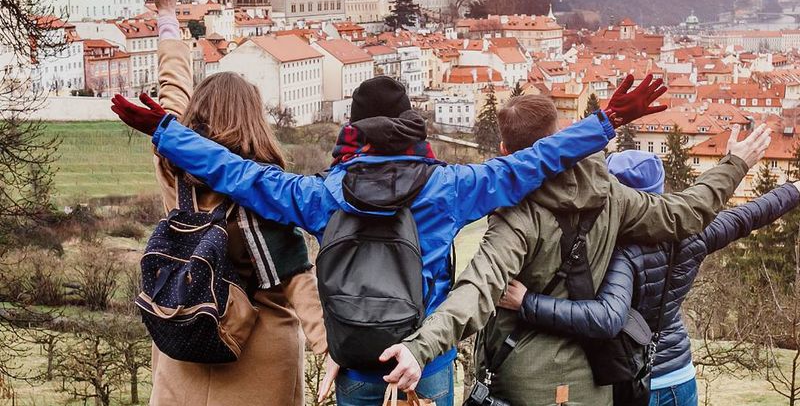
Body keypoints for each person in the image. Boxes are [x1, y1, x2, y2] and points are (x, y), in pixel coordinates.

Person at [110, 63, 667, 406]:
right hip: (426, 356)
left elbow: (238, 172)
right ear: (411, 129)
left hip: (358, 355)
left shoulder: (322, 196)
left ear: (355, 133)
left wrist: (166, 132)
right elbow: (532, 162)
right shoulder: (449, 188)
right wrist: (604, 123)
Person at [382, 95, 771, 406]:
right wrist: (734, 164)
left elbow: (477, 289)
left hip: (522, 384)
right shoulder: (611, 195)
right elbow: (684, 213)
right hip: (593, 385)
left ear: (505, 149)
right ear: (562, 136)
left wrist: (421, 348)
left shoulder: (518, 215)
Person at [141, 0, 330, 406]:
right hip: (261, 356)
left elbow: (173, 89)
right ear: (254, 118)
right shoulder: (267, 186)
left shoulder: (174, 164)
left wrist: (168, 17)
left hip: (184, 332)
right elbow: (297, 276)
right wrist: (334, 349)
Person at [497, 148, 800, 406]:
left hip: (636, 380)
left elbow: (606, 318)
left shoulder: (619, 250)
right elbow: (751, 214)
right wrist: (794, 189)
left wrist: (527, 302)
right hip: (681, 373)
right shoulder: (693, 232)